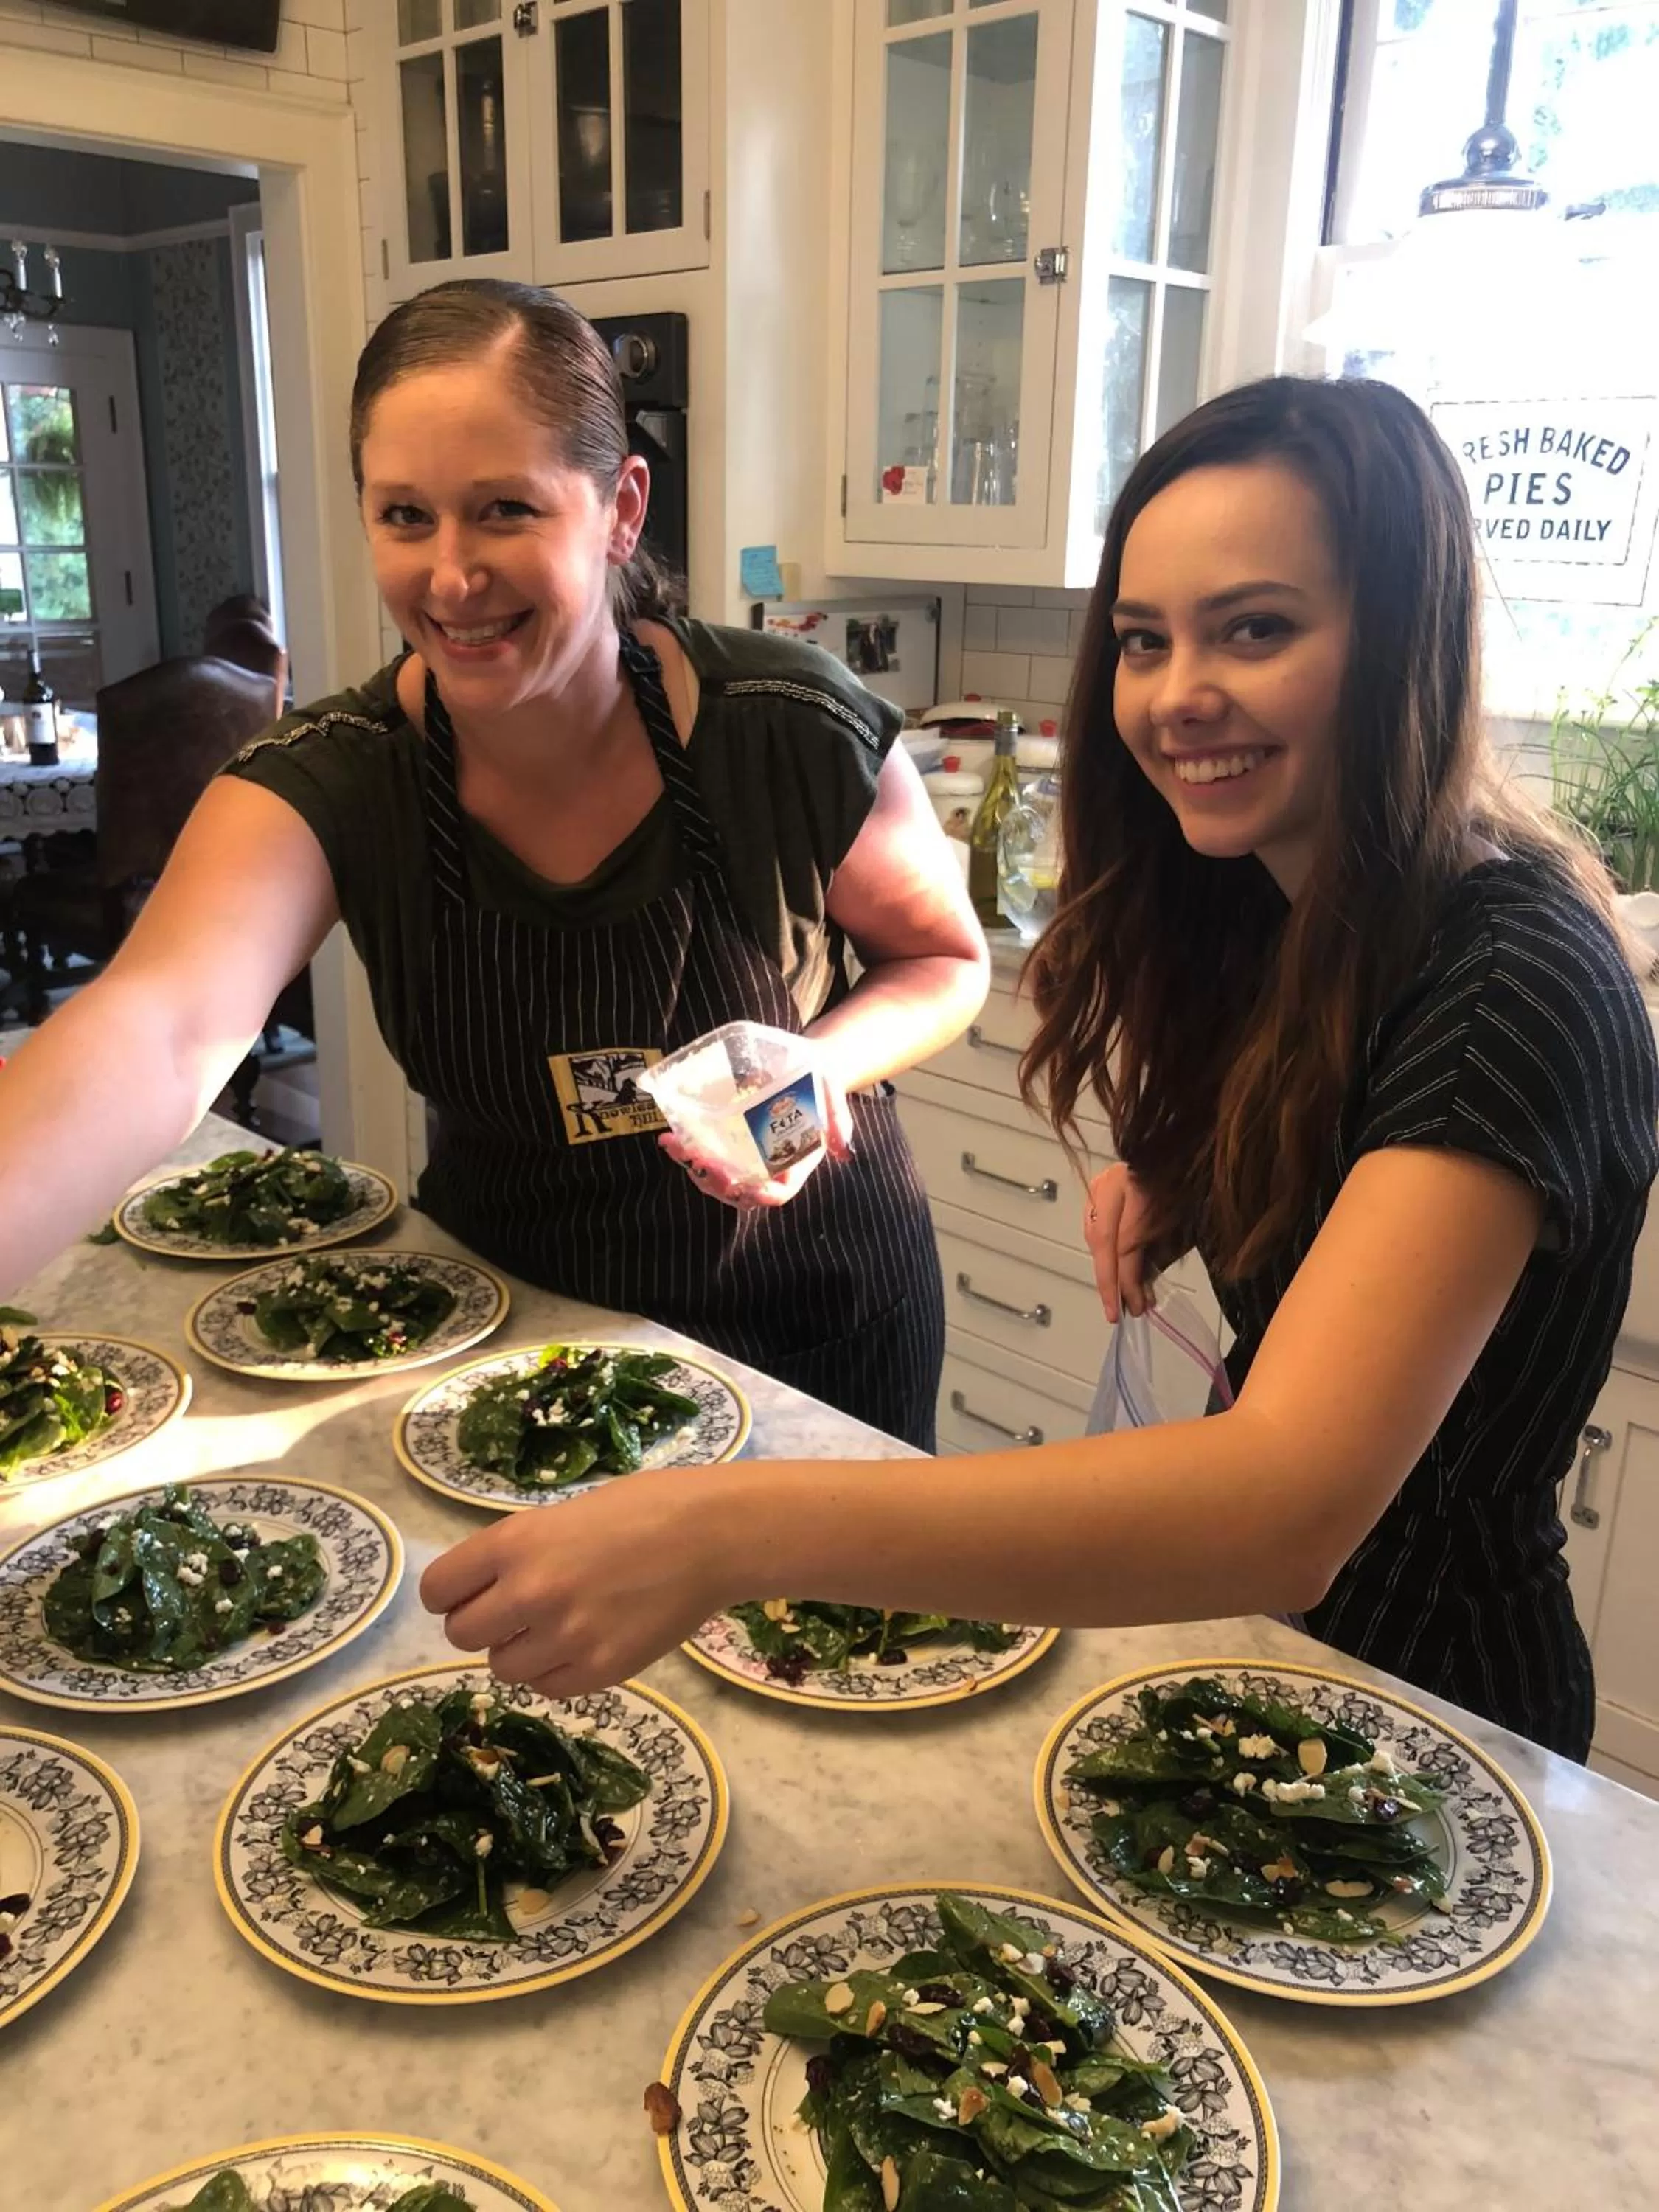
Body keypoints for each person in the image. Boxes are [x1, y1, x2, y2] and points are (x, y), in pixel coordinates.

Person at [422, 375, 1658, 1761]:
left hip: (1433, 1722)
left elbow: (1280, 1509)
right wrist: (1189, 1168)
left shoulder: (1513, 978)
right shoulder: (1285, 899)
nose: (1181, 696)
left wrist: (721, 1528)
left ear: (1400, 642)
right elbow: (1354, 1144)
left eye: (1255, 629)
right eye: (1143, 640)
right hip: (1250, 1668)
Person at [0, 279, 988, 1450]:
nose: (452, 576)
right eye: (405, 516)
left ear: (620, 508)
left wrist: (822, 1063)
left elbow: (941, 958)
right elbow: (157, 1028)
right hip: (521, 1350)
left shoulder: (787, 729)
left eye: (505, 510)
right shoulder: (336, 779)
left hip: (816, 1335)